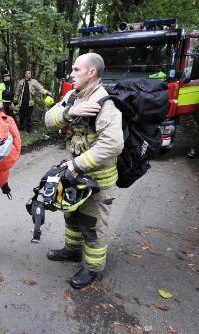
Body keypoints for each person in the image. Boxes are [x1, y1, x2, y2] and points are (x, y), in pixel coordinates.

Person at [44, 53, 124, 289]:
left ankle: (92, 269)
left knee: (93, 225)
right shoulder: (72, 96)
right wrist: (70, 113)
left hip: (98, 180)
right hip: (76, 176)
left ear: (92, 73)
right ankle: (71, 251)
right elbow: (49, 119)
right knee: (72, 215)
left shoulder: (105, 104)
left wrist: (77, 165)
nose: (71, 73)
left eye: (76, 70)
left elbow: (113, 144)